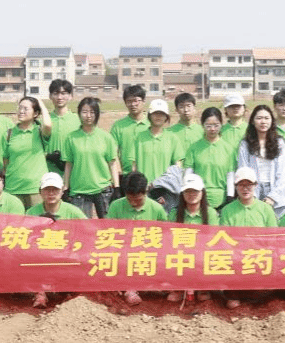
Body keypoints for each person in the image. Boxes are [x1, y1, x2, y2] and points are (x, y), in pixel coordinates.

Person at [26, 172, 88, 308]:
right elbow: (25, 236)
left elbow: (88, 231)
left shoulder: (73, 211)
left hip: (67, 253)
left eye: (55, 189)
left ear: (62, 191)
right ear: (40, 192)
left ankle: (72, 293)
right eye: (47, 189)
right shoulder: (31, 212)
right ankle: (39, 293)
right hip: (41, 253)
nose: (51, 193)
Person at [219, 167, 278, 308]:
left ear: (255, 185)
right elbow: (224, 240)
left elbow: (274, 239)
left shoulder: (266, 209)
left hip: (260, 259)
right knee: (232, 302)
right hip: (237, 261)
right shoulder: (227, 210)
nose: (245, 189)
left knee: (264, 295)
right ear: (235, 187)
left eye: (249, 185)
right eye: (241, 185)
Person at [106, 172, 169, 306]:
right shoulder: (116, 206)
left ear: (145, 191)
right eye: (130, 199)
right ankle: (129, 288)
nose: (133, 203)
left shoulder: (157, 209)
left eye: (138, 200)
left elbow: (166, 237)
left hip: (149, 253)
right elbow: (109, 234)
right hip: (124, 254)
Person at [63, 97, 120, 218]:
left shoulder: (106, 137)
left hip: (102, 189)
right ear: (79, 114)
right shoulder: (71, 138)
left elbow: (112, 163)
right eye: (84, 112)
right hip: (79, 190)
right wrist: (66, 187)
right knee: (83, 226)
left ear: (97, 114)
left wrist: (116, 187)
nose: (88, 116)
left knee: (107, 225)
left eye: (92, 112)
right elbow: (69, 164)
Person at [170, 173, 219, 303]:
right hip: (181, 255)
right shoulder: (174, 213)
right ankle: (179, 288)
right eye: (188, 191)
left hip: (202, 255)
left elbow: (213, 239)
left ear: (202, 193)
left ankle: (203, 288)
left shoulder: (210, 213)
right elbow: (169, 239)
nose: (191, 194)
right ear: (182, 193)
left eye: (195, 191)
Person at [237, 104, 285, 219]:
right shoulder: (245, 144)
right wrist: (252, 196)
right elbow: (243, 170)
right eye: (259, 118)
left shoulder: (279, 143)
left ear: (272, 121)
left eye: (267, 118)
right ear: (252, 121)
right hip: (252, 189)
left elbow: (282, 174)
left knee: (275, 224)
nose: (263, 121)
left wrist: (272, 197)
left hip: (275, 190)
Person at [3, 96, 53, 209]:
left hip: (35, 189)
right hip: (13, 188)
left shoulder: (39, 131)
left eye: (26, 109)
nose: (21, 111)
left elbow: (48, 124)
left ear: (35, 114)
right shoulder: (9, 133)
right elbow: (5, 161)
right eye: (20, 108)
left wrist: (40, 103)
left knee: (37, 219)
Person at [183, 107, 237, 210]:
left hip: (222, 200)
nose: (212, 129)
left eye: (216, 125)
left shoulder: (228, 149)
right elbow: (188, 173)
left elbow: (230, 175)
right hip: (198, 199)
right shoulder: (194, 148)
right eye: (208, 126)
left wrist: (230, 197)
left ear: (221, 124)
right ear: (202, 125)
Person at [131, 99, 184, 193]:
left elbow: (177, 164)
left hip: (165, 189)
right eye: (155, 113)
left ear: (166, 117)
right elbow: (133, 164)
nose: (158, 116)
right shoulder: (139, 137)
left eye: (162, 114)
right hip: (143, 189)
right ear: (149, 115)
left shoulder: (172, 138)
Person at [110, 85, 149, 172]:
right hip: (126, 174)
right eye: (129, 101)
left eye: (136, 101)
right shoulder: (118, 126)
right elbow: (112, 152)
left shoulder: (151, 124)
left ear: (144, 101)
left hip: (149, 172)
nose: (132, 104)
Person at [46, 79, 81, 175]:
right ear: (50, 96)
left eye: (63, 93)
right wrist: (48, 156)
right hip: (49, 173)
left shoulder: (78, 120)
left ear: (70, 96)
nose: (59, 97)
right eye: (55, 93)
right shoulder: (44, 120)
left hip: (74, 172)